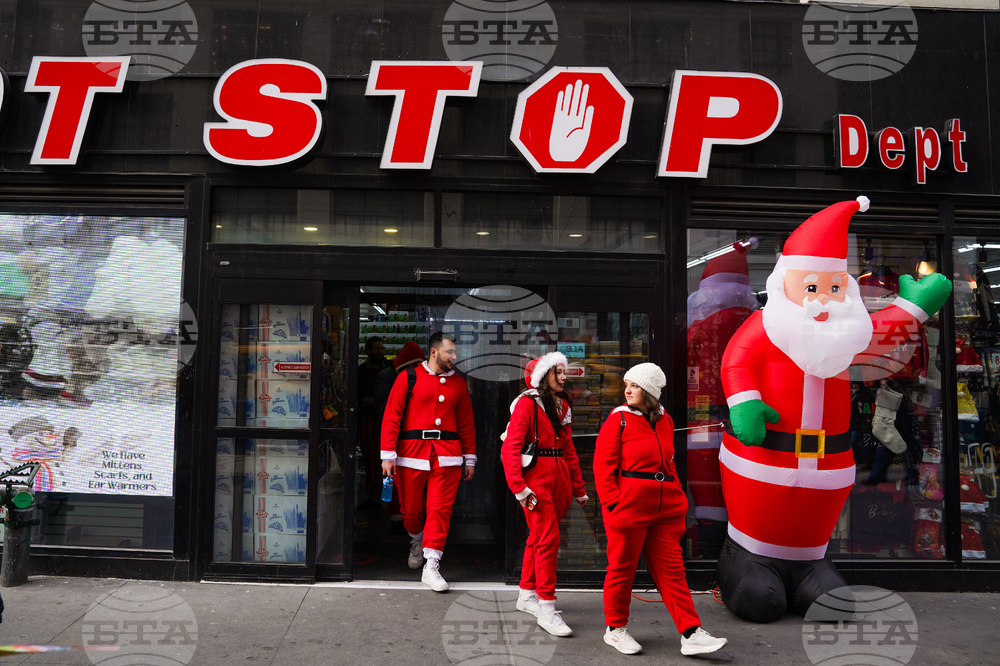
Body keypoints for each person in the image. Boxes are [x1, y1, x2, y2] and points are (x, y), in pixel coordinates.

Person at [718, 196, 952, 623]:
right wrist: (746, 402)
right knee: (757, 597)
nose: (823, 300)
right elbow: (736, 362)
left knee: (827, 588)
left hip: (829, 463)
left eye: (833, 288)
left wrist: (913, 307)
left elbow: (879, 334)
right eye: (812, 288)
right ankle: (748, 560)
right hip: (765, 461)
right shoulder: (767, 325)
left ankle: (807, 565)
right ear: (785, 284)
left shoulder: (847, 333)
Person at [594, 362, 728, 657]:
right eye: (627, 385)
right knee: (621, 570)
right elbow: (603, 467)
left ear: (650, 392)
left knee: (673, 573)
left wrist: (678, 498)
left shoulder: (665, 421)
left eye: (635, 386)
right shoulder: (619, 420)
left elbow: (669, 464)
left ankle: (691, 633)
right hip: (628, 508)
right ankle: (615, 629)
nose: (627, 390)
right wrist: (613, 504)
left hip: (666, 508)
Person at [380, 332, 476, 592]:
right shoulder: (407, 377)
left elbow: (466, 423)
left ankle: (431, 564)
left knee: (440, 509)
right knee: (410, 510)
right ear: (434, 353)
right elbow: (392, 416)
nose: (454, 357)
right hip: (410, 453)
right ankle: (416, 538)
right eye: (450, 353)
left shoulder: (459, 384)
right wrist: (387, 455)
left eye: (455, 352)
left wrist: (470, 457)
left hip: (448, 454)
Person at [501, 351, 588, 637]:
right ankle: (547, 608)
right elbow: (510, 448)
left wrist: (577, 487)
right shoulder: (526, 406)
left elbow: (569, 450)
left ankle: (527, 594)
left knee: (539, 537)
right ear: (543, 377)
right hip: (536, 481)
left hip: (558, 479)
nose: (564, 377)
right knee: (548, 538)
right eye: (558, 373)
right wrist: (519, 487)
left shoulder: (561, 406)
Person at [374, 341, 426, 525]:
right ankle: (397, 513)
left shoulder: (415, 376)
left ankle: (408, 516)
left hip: (412, 437)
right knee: (394, 475)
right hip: (396, 434)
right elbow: (385, 409)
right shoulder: (389, 377)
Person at [357, 336, 390, 510]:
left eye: (382, 348)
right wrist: (365, 401)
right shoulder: (361, 371)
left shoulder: (391, 369)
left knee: (389, 461)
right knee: (371, 461)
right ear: (368, 351)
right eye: (377, 349)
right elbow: (357, 395)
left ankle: (389, 495)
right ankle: (373, 497)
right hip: (369, 420)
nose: (380, 351)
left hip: (388, 420)